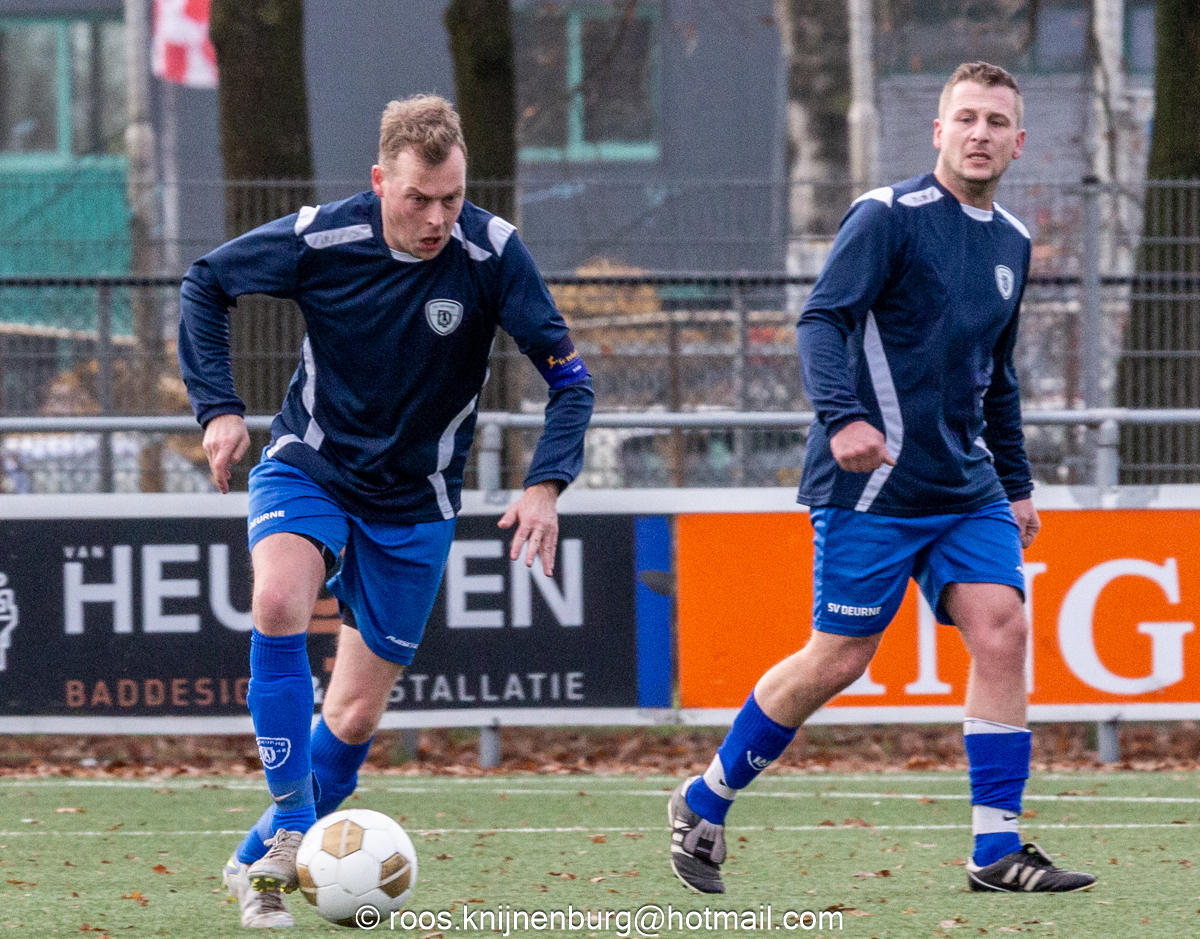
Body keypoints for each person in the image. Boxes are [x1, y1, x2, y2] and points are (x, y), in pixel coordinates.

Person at [668, 62, 1095, 896]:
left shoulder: (1012, 240)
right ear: (938, 131)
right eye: (965, 118)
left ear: (1018, 142)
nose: (979, 133)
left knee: (1003, 627)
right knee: (839, 657)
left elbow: (998, 373)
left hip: (965, 484)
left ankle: (996, 846)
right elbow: (821, 319)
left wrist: (1016, 481)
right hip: (872, 483)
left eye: (995, 122)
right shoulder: (886, 216)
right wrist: (843, 418)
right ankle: (704, 797)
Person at [178, 94, 593, 928]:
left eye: (452, 198)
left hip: (417, 501)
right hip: (313, 467)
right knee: (277, 601)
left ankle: (255, 859)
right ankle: (292, 827)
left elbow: (570, 383)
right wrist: (217, 407)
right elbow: (207, 282)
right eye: (418, 199)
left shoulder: (493, 253)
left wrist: (546, 484)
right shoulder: (321, 238)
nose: (438, 218)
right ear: (379, 182)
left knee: (355, 716)